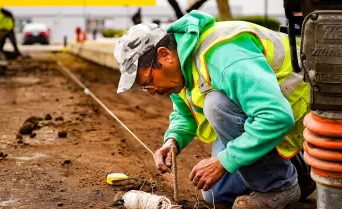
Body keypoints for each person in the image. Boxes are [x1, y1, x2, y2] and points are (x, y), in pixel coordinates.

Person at [113, 10, 315, 209]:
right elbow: (184, 113)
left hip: (302, 117)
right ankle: (299, 170)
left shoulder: (223, 56)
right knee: (215, 192)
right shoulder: (180, 68)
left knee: (215, 104)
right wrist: (173, 140)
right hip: (267, 121)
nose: (151, 91)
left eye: (148, 82)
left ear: (164, 55)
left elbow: (276, 116)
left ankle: (279, 187)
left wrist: (223, 161)